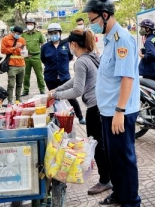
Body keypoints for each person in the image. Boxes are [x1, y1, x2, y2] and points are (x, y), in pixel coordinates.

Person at [82, 0, 141, 207]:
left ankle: (131, 202)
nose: (91, 24)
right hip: (108, 111)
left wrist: (119, 111)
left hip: (120, 112)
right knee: (114, 158)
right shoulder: (108, 39)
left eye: (92, 19)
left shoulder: (122, 39)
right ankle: (119, 193)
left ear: (104, 15)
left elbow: (127, 78)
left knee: (124, 159)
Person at [47, 29, 111, 195]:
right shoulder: (92, 56)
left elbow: (77, 90)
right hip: (102, 104)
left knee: (98, 145)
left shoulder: (81, 61)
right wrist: (58, 89)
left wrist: (57, 95)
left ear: (73, 44)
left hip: (94, 107)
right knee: (103, 143)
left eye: (69, 44)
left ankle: (105, 180)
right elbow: (76, 80)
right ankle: (109, 177)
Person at [40, 23, 86, 124]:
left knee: (72, 98)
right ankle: (58, 119)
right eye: (51, 33)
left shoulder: (66, 45)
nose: (53, 35)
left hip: (64, 76)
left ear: (60, 33)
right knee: (54, 98)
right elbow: (43, 59)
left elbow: (70, 57)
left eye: (55, 33)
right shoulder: (45, 47)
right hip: (50, 77)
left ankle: (80, 117)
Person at [0, 26, 26, 103]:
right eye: (18, 33)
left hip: (21, 64)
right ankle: (10, 100)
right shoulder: (6, 39)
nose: (19, 35)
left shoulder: (22, 40)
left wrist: (25, 52)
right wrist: (15, 47)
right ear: (13, 32)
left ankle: (18, 99)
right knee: (11, 84)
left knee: (20, 84)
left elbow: (24, 50)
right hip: (11, 65)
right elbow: (3, 51)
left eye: (20, 34)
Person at [21, 18, 46, 96]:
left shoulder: (39, 34)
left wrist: (43, 56)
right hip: (26, 57)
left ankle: (42, 89)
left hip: (36, 56)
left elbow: (43, 45)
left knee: (39, 74)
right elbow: (21, 45)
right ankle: (25, 90)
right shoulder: (23, 34)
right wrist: (23, 53)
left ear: (34, 25)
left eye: (31, 24)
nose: (29, 25)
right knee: (26, 75)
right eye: (28, 24)